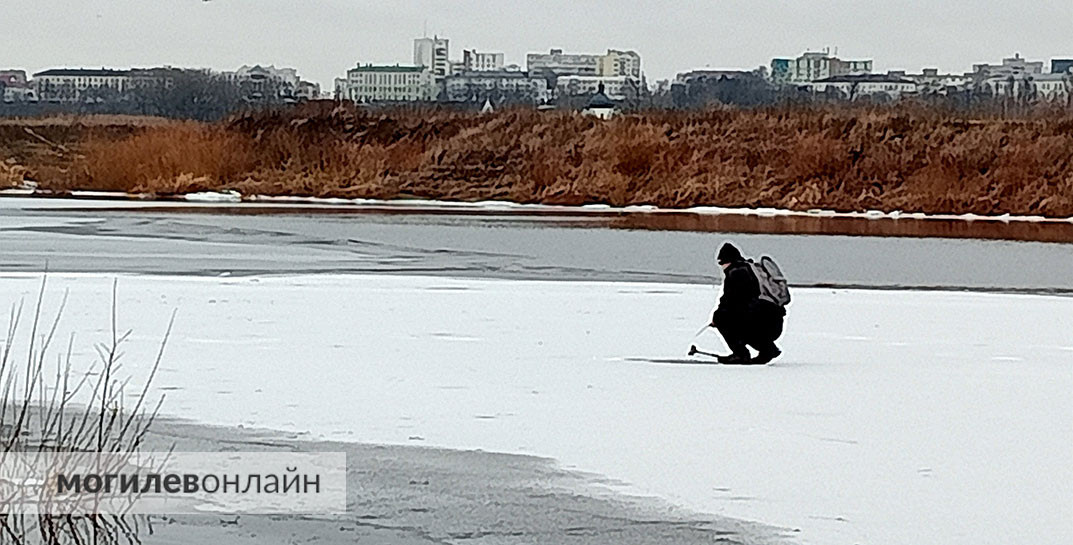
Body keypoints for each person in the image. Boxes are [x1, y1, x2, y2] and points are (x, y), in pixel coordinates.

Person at [710, 242, 785, 365]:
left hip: (761, 324)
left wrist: (716, 318)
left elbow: (730, 300)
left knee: (722, 319)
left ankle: (740, 354)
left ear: (727, 261)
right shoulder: (751, 269)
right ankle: (767, 349)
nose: (722, 267)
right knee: (744, 319)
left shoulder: (736, 273)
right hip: (774, 324)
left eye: (721, 263)